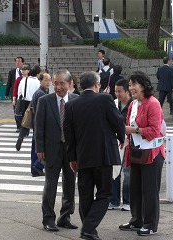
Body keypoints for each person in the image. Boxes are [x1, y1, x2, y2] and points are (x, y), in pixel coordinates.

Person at [64, 71, 125, 240]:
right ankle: (89, 228)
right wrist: (121, 137)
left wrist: (72, 158)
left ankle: (89, 230)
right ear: (97, 85)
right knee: (105, 193)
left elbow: (69, 135)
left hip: (83, 156)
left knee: (85, 194)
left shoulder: (71, 105)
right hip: (104, 155)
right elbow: (117, 120)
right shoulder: (105, 99)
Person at [119, 71, 165, 237]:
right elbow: (127, 124)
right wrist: (125, 137)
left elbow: (154, 131)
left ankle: (151, 224)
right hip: (136, 152)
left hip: (152, 153)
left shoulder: (153, 103)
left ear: (144, 85)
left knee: (149, 190)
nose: (131, 88)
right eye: (130, 85)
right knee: (135, 188)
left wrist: (135, 130)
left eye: (133, 84)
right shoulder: (134, 104)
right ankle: (136, 220)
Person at [35, 69, 79, 233]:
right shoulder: (44, 101)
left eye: (62, 83)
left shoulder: (76, 100)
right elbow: (39, 127)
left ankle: (65, 217)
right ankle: (48, 218)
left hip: (70, 151)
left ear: (70, 84)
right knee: (50, 185)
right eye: (56, 83)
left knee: (69, 185)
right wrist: (39, 148)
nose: (58, 87)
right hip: (51, 149)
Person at [108, 79, 133, 211]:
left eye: (120, 91)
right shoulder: (113, 103)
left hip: (129, 141)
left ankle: (127, 201)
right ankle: (114, 200)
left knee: (127, 172)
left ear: (127, 91)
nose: (117, 94)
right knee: (114, 170)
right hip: (116, 141)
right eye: (115, 91)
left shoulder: (133, 105)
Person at [30, 73, 52, 177]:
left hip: (37, 120)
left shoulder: (41, 92)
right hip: (40, 121)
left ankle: (35, 168)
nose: (48, 82)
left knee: (36, 145)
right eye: (46, 80)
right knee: (39, 145)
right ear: (40, 81)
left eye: (49, 80)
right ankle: (37, 166)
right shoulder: (41, 94)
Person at [15, 65, 41, 151]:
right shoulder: (37, 82)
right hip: (33, 103)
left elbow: (19, 92)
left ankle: (21, 136)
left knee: (25, 121)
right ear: (37, 73)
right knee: (36, 122)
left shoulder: (24, 79)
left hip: (23, 102)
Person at [5, 56, 25, 132]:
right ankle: (18, 126)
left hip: (24, 94)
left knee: (24, 110)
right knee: (16, 110)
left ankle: (24, 125)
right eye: (16, 61)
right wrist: (6, 93)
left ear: (23, 63)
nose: (17, 63)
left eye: (19, 61)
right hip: (15, 94)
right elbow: (9, 83)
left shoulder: (26, 72)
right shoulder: (12, 72)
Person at [12, 64, 30, 130]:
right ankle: (20, 126)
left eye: (24, 70)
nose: (23, 71)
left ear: (28, 71)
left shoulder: (31, 79)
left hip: (28, 99)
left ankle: (25, 128)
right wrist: (14, 99)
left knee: (27, 114)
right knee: (18, 114)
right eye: (22, 70)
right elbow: (15, 89)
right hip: (20, 99)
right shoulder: (19, 79)